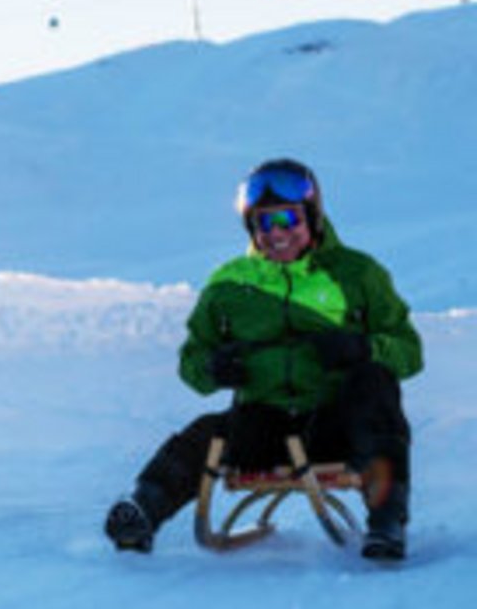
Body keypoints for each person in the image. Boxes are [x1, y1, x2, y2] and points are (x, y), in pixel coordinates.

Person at [104, 158, 423, 560]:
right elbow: (192, 360)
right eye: (263, 223)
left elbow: (410, 350)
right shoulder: (229, 285)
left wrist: (363, 349)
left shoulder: (357, 275)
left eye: (288, 219)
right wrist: (213, 368)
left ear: (313, 216)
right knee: (209, 432)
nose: (277, 233)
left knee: (376, 386)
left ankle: (387, 523)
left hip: (336, 424)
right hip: (265, 422)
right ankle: (142, 511)